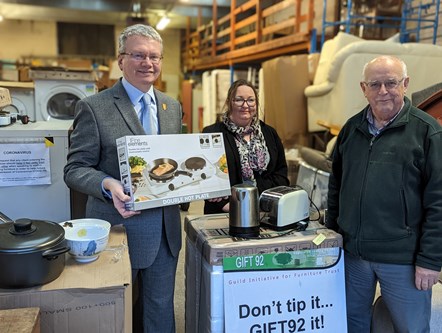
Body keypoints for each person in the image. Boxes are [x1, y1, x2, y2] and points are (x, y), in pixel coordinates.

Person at [64, 24, 182, 333]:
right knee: (116, 309)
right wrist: (108, 184)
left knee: (159, 307)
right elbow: (75, 169)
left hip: (166, 231)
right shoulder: (94, 107)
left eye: (155, 56)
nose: (148, 63)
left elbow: (174, 163)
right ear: (120, 59)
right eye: (139, 55)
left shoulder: (172, 107)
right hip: (120, 229)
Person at [326, 55, 442, 332]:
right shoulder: (351, 130)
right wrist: (333, 238)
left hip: (402, 257)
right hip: (353, 255)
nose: (383, 91)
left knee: (410, 327)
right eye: (374, 84)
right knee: (353, 323)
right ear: (363, 88)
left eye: (391, 83)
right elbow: (336, 188)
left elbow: (438, 201)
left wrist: (430, 260)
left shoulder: (426, 133)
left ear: (405, 84)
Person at [202, 79, 289, 214]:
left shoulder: (269, 133)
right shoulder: (212, 134)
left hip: (264, 211)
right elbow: (206, 177)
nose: (245, 105)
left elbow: (281, 174)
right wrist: (231, 207)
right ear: (230, 102)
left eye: (250, 100)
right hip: (225, 213)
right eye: (239, 100)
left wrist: (262, 202)